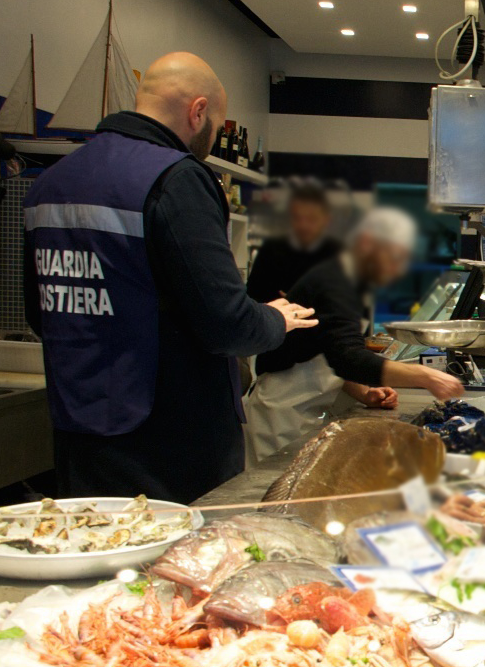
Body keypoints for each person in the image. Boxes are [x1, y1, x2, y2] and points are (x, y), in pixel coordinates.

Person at [23, 52, 317, 503]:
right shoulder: (176, 178)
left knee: (95, 540)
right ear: (198, 111)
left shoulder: (50, 182)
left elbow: (41, 313)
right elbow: (226, 324)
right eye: (214, 126)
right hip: (168, 446)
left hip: (79, 430)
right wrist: (276, 319)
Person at [244, 207, 464, 465]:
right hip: (282, 419)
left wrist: (363, 392)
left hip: (306, 413)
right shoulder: (336, 282)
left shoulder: (352, 282)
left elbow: (327, 350)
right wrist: (426, 376)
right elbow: (348, 358)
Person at [247, 183, 341, 303]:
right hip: (275, 314)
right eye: (297, 218)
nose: (303, 225)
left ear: (327, 220)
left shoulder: (337, 254)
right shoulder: (272, 248)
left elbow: (345, 303)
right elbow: (252, 297)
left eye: (312, 219)